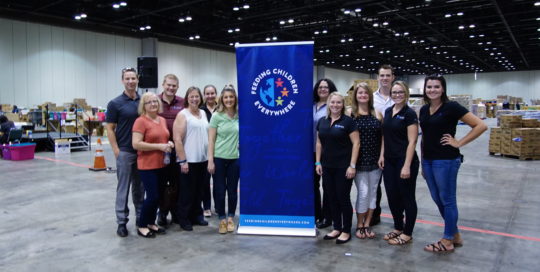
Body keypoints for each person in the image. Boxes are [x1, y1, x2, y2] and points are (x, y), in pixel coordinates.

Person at [420, 75, 487, 252]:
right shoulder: (424, 110)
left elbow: (480, 125)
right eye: (429, 87)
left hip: (446, 160)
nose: (432, 90)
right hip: (428, 160)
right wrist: (422, 162)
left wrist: (459, 142)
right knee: (437, 198)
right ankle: (455, 234)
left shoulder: (451, 107)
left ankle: (447, 240)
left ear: (443, 89)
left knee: (447, 200)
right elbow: (424, 137)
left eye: (436, 87)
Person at [316, 93, 360, 245]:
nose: (335, 105)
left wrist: (352, 165)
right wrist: (318, 163)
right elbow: (319, 143)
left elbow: (356, 144)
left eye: (339, 103)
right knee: (331, 198)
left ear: (343, 104)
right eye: (333, 102)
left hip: (343, 167)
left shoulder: (348, 122)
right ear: (328, 103)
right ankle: (337, 227)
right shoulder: (322, 121)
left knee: (343, 198)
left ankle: (346, 230)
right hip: (327, 167)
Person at [106, 67, 145, 238]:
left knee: (140, 188)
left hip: (142, 152)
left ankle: (140, 219)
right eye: (127, 78)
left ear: (137, 80)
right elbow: (110, 129)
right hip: (125, 152)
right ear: (122, 81)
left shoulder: (143, 101)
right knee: (123, 188)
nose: (130, 81)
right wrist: (116, 151)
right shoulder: (115, 103)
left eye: (133, 78)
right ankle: (121, 222)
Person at [379, 81, 419, 246]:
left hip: (405, 160)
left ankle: (407, 232)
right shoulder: (388, 111)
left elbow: (412, 141)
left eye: (400, 92)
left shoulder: (409, 113)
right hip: (389, 160)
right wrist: (381, 155)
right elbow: (384, 136)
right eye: (394, 92)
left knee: (407, 196)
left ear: (406, 94)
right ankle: (398, 226)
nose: (397, 95)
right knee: (392, 195)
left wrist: (407, 165)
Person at [132, 92, 172, 238]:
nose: (153, 104)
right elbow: (136, 144)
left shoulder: (161, 120)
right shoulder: (140, 121)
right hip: (147, 165)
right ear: (144, 105)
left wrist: (168, 143)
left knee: (158, 195)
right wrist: (159, 147)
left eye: (155, 101)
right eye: (149, 102)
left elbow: (163, 138)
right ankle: (142, 225)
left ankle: (151, 223)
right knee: (152, 196)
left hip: (162, 164)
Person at [347, 82, 383, 239]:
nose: (362, 95)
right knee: (363, 193)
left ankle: (368, 223)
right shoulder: (350, 114)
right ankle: (359, 224)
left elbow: (383, 138)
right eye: (359, 93)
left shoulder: (377, 114)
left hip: (375, 160)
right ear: (355, 96)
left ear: (369, 96)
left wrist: (382, 156)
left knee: (373, 193)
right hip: (359, 160)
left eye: (365, 93)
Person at [173, 86, 209, 231]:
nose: (194, 99)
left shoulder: (203, 113)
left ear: (200, 98)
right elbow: (177, 139)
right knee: (187, 192)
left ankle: (197, 215)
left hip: (203, 159)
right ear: (187, 98)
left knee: (199, 190)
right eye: (191, 96)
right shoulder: (183, 115)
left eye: (197, 96)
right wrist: (183, 161)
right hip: (189, 160)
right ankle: (184, 218)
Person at [207, 84, 239, 234]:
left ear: (235, 98)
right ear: (222, 99)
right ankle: (221, 218)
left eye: (231, 97)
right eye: (226, 97)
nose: (228, 100)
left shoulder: (241, 115)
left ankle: (231, 217)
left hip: (235, 159)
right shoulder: (216, 116)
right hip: (219, 158)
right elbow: (211, 140)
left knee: (232, 190)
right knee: (219, 190)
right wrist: (210, 160)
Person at [156, 74, 184, 227]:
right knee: (161, 185)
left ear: (177, 87)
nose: (171, 88)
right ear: (163, 84)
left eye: (174, 85)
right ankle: (162, 214)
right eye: (169, 85)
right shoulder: (155, 101)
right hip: (160, 151)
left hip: (178, 151)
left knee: (176, 184)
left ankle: (175, 212)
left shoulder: (182, 102)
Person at [371, 64, 396, 227]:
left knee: (394, 185)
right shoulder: (371, 98)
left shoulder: (399, 96)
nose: (385, 78)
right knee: (374, 184)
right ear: (378, 78)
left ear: (393, 77)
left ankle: (398, 219)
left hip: (395, 145)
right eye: (382, 75)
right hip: (375, 145)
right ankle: (375, 215)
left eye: (388, 75)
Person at [313, 78, 337, 229]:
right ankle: (317, 215)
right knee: (313, 185)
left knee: (328, 186)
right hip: (310, 151)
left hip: (327, 151)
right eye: (320, 87)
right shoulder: (310, 106)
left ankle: (328, 216)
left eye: (326, 87)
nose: (322, 89)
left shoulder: (334, 106)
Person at [201, 84, 218, 217]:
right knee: (205, 181)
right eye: (207, 93)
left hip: (220, 149)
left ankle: (218, 206)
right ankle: (206, 207)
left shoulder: (221, 108)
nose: (210, 96)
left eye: (212, 93)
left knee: (218, 181)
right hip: (205, 149)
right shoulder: (200, 110)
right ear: (204, 95)